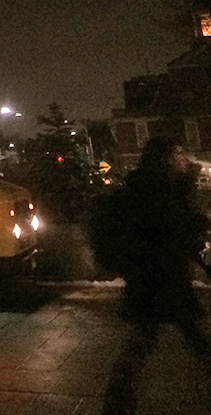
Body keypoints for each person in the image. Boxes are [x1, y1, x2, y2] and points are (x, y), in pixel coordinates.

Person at [101, 137, 211, 415]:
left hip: (156, 282)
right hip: (159, 282)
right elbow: (178, 228)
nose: (182, 159)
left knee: (145, 341)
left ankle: (116, 400)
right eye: (178, 153)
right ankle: (115, 400)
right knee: (190, 339)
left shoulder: (152, 187)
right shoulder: (157, 192)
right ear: (165, 159)